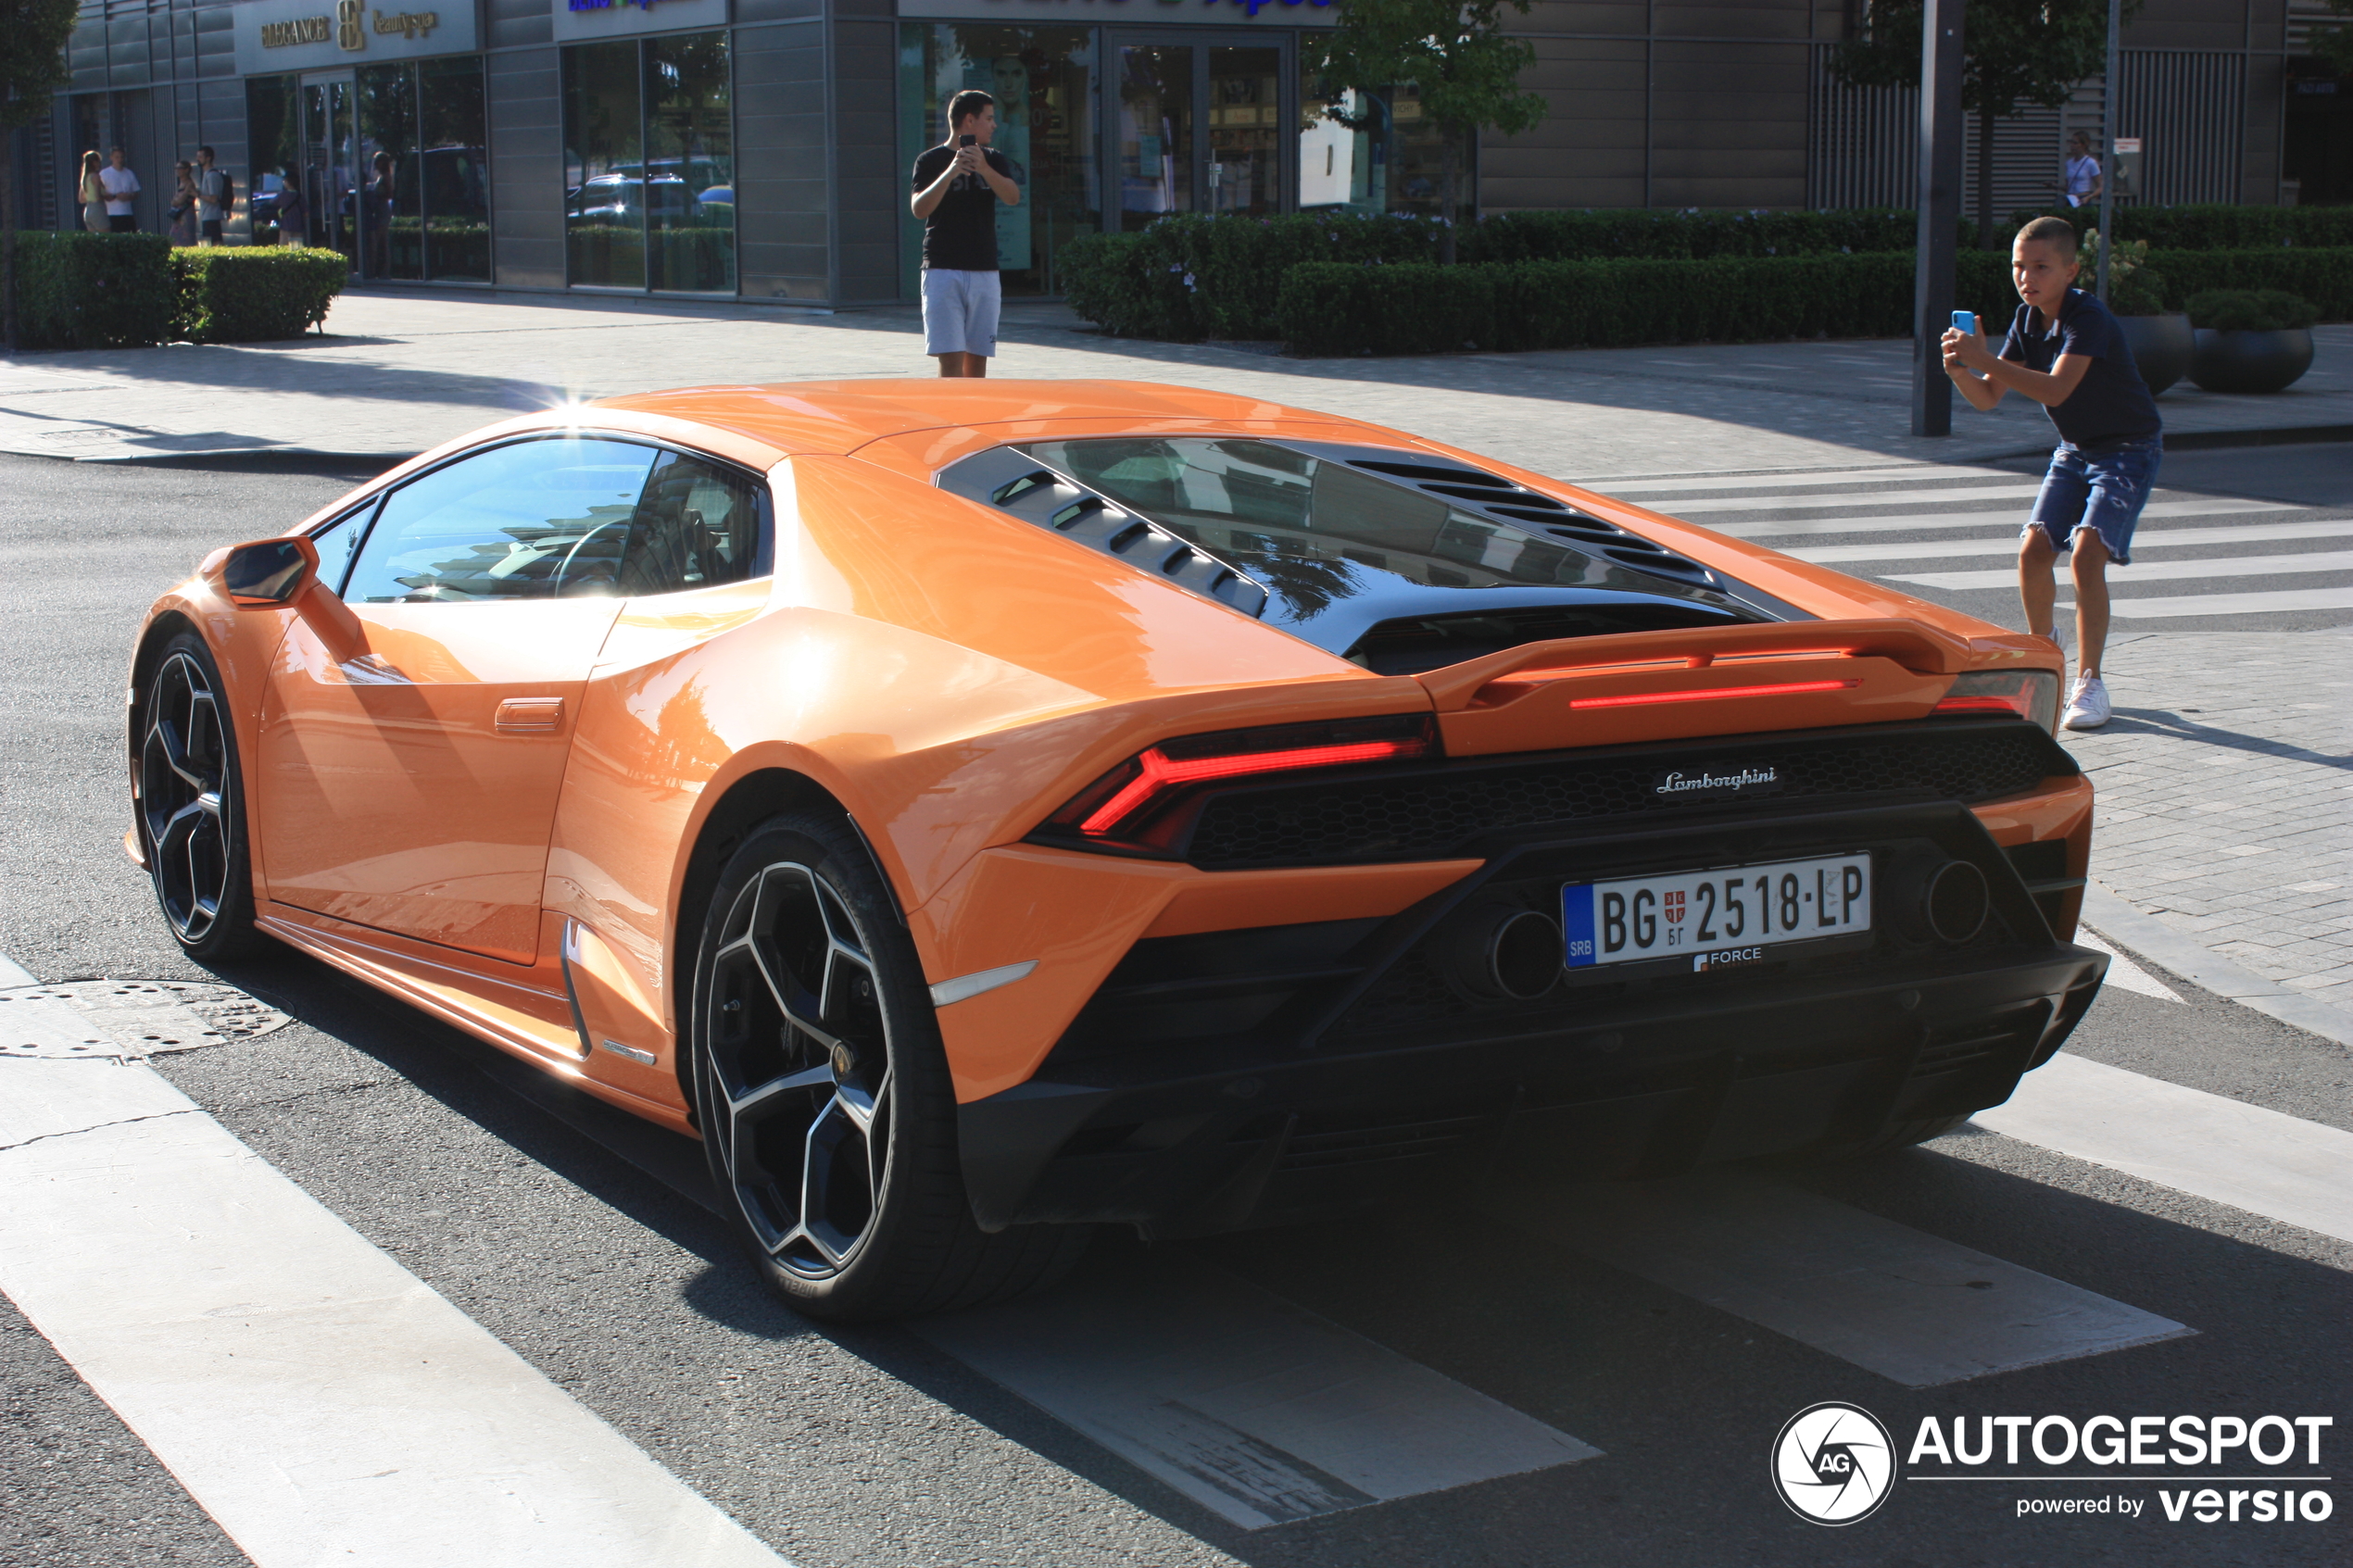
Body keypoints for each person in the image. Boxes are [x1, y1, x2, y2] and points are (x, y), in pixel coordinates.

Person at [1943, 216, 2163, 732]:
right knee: (2034, 550)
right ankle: (2043, 658)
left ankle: (2090, 680)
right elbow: (1987, 399)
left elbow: (2056, 390)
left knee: (2088, 552)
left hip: (2127, 449)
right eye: (2019, 266)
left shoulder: (2089, 318)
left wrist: (1984, 359)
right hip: (2076, 448)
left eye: (2041, 267)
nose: (2027, 277)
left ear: (2071, 269)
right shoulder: (2027, 319)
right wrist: (1961, 370)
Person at [909, 88, 1021, 378]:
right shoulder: (930, 161)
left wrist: (983, 167)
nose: (994, 125)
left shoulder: (994, 159)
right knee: (950, 360)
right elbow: (919, 209)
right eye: (989, 118)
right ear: (969, 121)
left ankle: (977, 419)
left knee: (978, 360)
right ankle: (951, 419)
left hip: (984, 269)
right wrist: (950, 172)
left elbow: (1012, 197)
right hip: (942, 269)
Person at [195, 145, 235, 246]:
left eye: (200, 157)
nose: (198, 159)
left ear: (208, 158)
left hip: (211, 215)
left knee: (213, 243)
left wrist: (198, 195)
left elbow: (214, 198)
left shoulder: (212, 176)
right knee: (214, 242)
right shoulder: (207, 174)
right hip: (208, 215)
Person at [363, 151, 395, 276]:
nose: (375, 164)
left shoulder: (386, 177)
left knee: (378, 241)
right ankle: (380, 269)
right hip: (379, 210)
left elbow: (390, 194)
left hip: (383, 210)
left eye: (377, 161)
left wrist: (379, 195)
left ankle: (380, 270)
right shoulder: (381, 176)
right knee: (380, 241)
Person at [98, 147, 141, 232]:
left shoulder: (129, 173)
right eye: (117, 157)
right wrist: (116, 196)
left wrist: (129, 196)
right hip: (111, 213)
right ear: (111, 157)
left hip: (127, 213)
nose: (119, 159)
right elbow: (100, 193)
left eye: (121, 157)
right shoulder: (104, 174)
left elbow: (136, 192)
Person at [2063, 132, 2102, 209]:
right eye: (2072, 143)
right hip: (2071, 199)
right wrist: (2053, 185)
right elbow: (2067, 186)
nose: (2072, 146)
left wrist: (2089, 197)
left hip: (2083, 198)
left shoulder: (2091, 163)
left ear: (2083, 145)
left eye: (2075, 143)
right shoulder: (2069, 163)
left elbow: (2100, 187)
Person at [273, 169, 308, 246]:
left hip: (285, 227)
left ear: (288, 182)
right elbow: (306, 214)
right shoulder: (300, 196)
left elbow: (272, 203)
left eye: (284, 181)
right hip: (298, 227)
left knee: (283, 250)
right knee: (296, 250)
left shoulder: (282, 195)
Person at [168, 161, 198, 247]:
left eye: (180, 168)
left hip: (186, 214)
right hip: (179, 216)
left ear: (186, 170)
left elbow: (180, 200)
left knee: (186, 238)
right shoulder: (181, 183)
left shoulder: (189, 183)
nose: (177, 171)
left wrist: (176, 201)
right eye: (176, 168)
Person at [75, 151, 106, 233]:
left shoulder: (84, 178)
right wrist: (108, 197)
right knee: (106, 236)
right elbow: (98, 196)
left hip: (88, 209)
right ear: (95, 162)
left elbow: (81, 199)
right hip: (97, 208)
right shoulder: (95, 177)